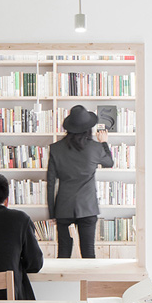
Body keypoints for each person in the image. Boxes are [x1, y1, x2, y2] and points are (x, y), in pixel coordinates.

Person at [46, 104, 114, 259]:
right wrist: (103, 142)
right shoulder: (95, 148)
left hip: (63, 208)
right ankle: (88, 284)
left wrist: (52, 213)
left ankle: (61, 283)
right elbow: (109, 162)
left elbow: (50, 183)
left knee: (63, 253)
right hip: (88, 208)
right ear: (88, 128)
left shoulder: (56, 149)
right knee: (88, 253)